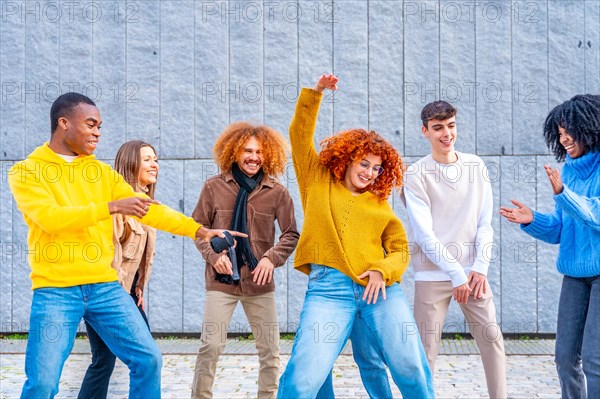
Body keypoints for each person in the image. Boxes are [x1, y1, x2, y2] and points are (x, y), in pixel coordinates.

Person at [7, 92, 243, 399]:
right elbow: (51, 219)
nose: (98, 133)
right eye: (91, 125)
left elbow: (149, 208)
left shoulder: (100, 173)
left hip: (104, 287)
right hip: (55, 290)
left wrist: (200, 231)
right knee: (42, 384)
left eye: (100, 126)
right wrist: (112, 206)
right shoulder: (26, 171)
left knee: (148, 359)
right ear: (64, 123)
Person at [277, 74, 434, 399]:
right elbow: (299, 134)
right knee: (304, 377)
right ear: (347, 159)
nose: (370, 172)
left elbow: (400, 250)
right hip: (329, 291)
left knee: (410, 366)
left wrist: (382, 270)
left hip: (381, 293)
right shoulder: (317, 182)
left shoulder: (378, 203)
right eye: (365, 163)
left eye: (377, 168)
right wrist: (316, 92)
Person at [403, 100, 507, 398]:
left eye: (450, 126)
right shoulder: (416, 174)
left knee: (492, 339)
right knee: (425, 350)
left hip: (473, 274)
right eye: (438, 128)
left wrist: (479, 268)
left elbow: (485, 224)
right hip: (432, 277)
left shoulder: (476, 166)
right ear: (425, 131)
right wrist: (454, 274)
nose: (446, 133)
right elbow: (424, 235)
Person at [500, 94, 600, 399]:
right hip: (575, 273)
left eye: (569, 131)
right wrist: (532, 220)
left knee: (595, 361)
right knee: (565, 357)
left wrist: (562, 193)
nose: (564, 138)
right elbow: (561, 227)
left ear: (589, 128)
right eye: (559, 133)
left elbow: (595, 215)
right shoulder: (569, 170)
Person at [190, 122, 299, 399]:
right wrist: (214, 257)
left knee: (270, 351)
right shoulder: (213, 187)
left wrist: (271, 259)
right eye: (247, 151)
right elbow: (196, 229)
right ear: (234, 152)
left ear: (268, 155)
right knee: (210, 346)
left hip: (259, 283)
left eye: (260, 152)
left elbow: (290, 234)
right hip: (221, 282)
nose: (253, 157)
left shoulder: (277, 192)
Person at [78, 140, 160, 399]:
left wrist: (139, 289)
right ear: (130, 163)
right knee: (138, 360)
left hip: (129, 296)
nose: (154, 164)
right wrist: (117, 295)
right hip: (108, 294)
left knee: (106, 361)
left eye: (155, 159)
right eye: (146, 159)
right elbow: (109, 253)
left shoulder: (147, 204)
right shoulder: (118, 203)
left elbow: (139, 259)